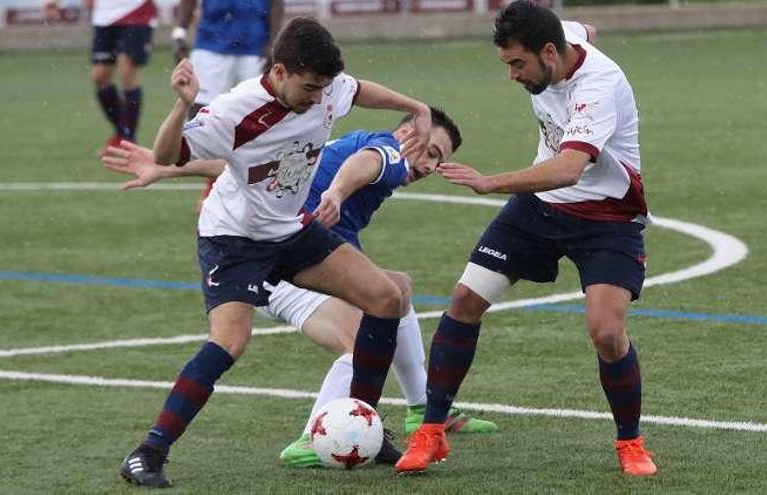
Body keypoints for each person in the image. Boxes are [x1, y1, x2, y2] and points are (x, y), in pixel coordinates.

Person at [117, 17, 433, 488]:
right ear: (280, 72)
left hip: (290, 229)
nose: (317, 97)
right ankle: (149, 451)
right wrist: (182, 105)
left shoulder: (325, 87)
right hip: (233, 240)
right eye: (308, 87)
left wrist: (415, 107)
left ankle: (366, 425)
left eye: (323, 87)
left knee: (386, 297)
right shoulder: (236, 110)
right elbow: (167, 154)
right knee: (229, 342)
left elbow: (358, 89)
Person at [102, 109, 498, 469]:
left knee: (394, 289)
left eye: (438, 160)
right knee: (357, 340)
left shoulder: (344, 144)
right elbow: (364, 165)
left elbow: (247, 165)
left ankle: (422, 407)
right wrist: (338, 193)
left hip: (297, 257)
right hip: (283, 268)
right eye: (429, 151)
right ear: (407, 132)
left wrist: (167, 169)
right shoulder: (385, 151)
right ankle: (314, 437)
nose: (430, 165)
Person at [395, 2, 657, 477]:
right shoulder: (562, 37)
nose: (512, 75)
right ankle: (430, 431)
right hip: (540, 207)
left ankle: (631, 442)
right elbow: (586, 29)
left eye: (518, 63)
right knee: (464, 300)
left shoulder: (597, 88)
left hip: (607, 214)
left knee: (606, 333)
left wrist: (489, 182)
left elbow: (570, 168)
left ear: (550, 53)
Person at [44, 0, 157, 150]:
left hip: (136, 13)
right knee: (100, 77)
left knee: (126, 72)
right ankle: (121, 133)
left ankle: (129, 140)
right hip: (104, 17)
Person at [171, 0, 284, 118]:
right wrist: (179, 34)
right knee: (201, 111)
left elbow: (276, 3)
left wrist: (274, 43)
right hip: (210, 45)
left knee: (257, 110)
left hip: (254, 48)